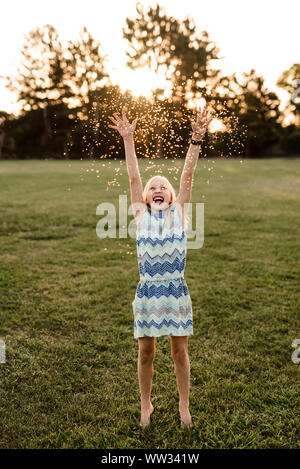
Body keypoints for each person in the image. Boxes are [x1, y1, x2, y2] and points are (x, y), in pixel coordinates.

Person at [108, 107, 212, 429]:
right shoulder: (140, 216)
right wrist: (128, 139)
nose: (156, 188)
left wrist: (196, 138)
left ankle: (184, 407)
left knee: (179, 353)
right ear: (144, 196)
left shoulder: (179, 213)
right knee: (145, 354)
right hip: (149, 294)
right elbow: (134, 176)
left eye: (162, 186)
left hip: (175, 291)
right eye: (152, 186)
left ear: (171, 196)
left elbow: (187, 175)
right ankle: (146, 405)